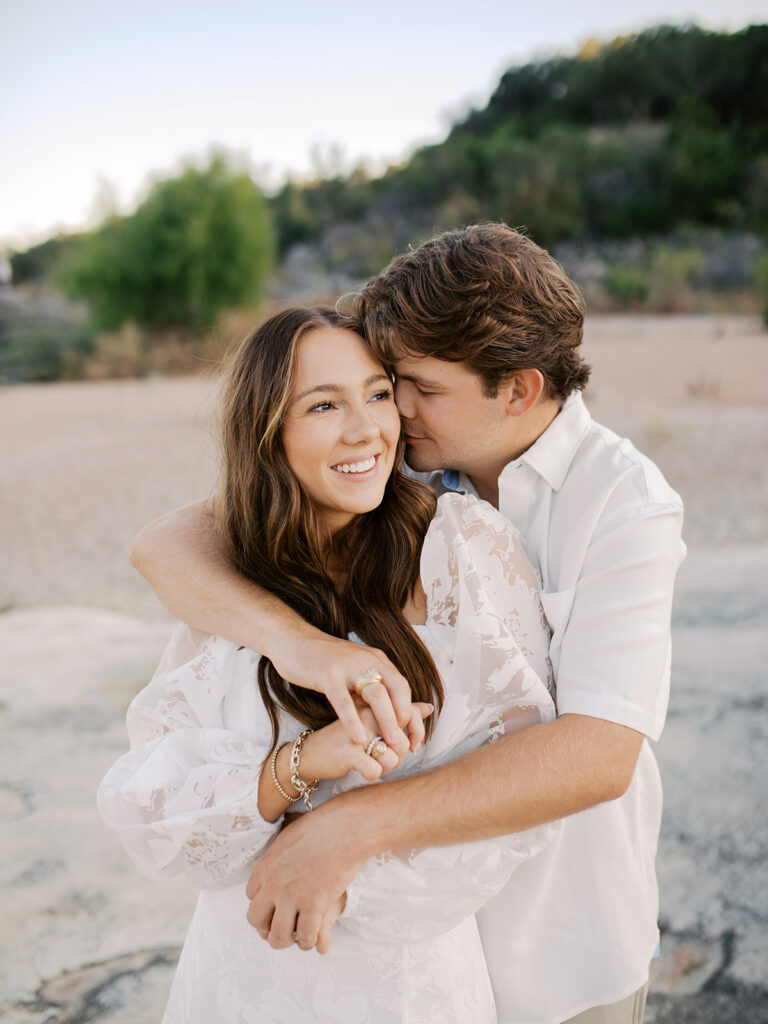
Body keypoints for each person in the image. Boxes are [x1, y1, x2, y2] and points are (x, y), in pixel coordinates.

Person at [131, 224, 686, 1024]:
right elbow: (167, 543)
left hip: (556, 937)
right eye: (390, 382)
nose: (395, 411)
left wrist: (352, 826)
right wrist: (306, 648)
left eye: (415, 386)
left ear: (519, 390)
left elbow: (599, 754)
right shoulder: (402, 462)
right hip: (393, 950)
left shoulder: (623, 501)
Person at [99, 306, 557, 1023]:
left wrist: (339, 872)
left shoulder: (464, 549)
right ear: (268, 432)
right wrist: (302, 763)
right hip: (238, 979)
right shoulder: (230, 582)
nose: (365, 430)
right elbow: (148, 809)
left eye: (378, 395)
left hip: (405, 988)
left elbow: (521, 797)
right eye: (323, 405)